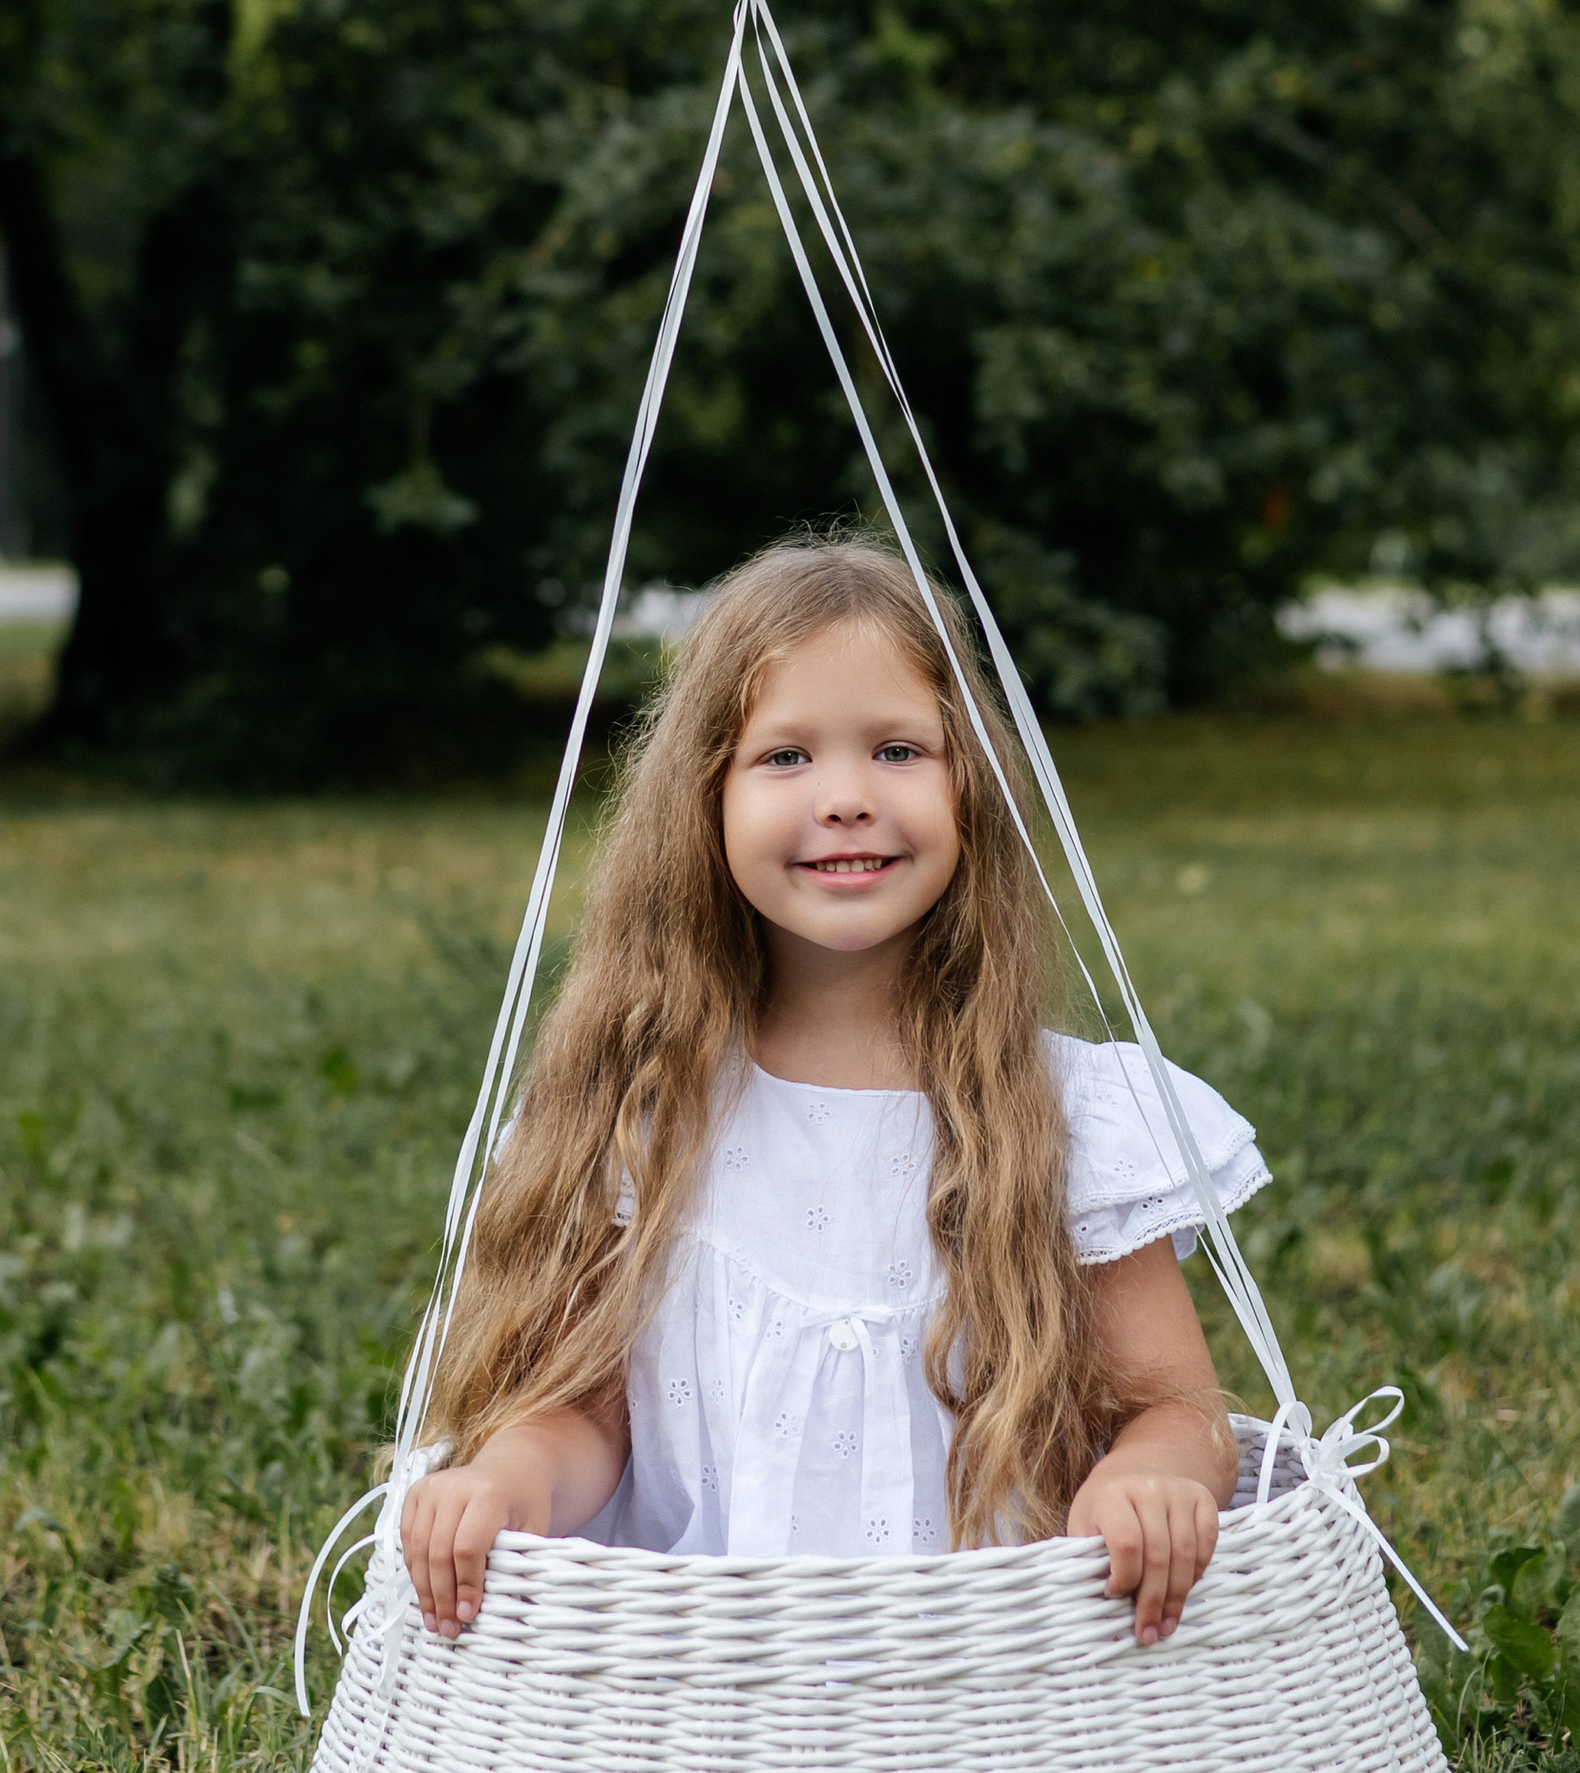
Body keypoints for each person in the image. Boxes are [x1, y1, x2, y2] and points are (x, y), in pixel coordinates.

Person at [400, 536, 1265, 1650]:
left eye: (899, 748)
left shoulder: (1064, 1113)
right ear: (700, 800)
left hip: (1004, 1676)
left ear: (971, 786)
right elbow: (586, 1411)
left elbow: (1175, 1406)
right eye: (786, 757)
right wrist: (509, 1477)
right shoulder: (645, 1110)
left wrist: (1151, 1474)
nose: (848, 797)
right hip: (709, 1681)